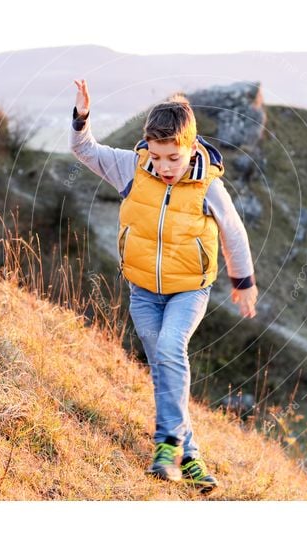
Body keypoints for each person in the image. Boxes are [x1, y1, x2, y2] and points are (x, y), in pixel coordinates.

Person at [69, 79, 258, 492]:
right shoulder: (132, 169)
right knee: (163, 367)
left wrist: (242, 282)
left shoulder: (208, 185)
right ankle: (188, 456)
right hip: (143, 292)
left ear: (191, 147)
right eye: (156, 156)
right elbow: (85, 150)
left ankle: (167, 444)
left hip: (190, 290)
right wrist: (82, 117)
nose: (164, 166)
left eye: (173, 157)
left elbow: (234, 232)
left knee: (171, 349)